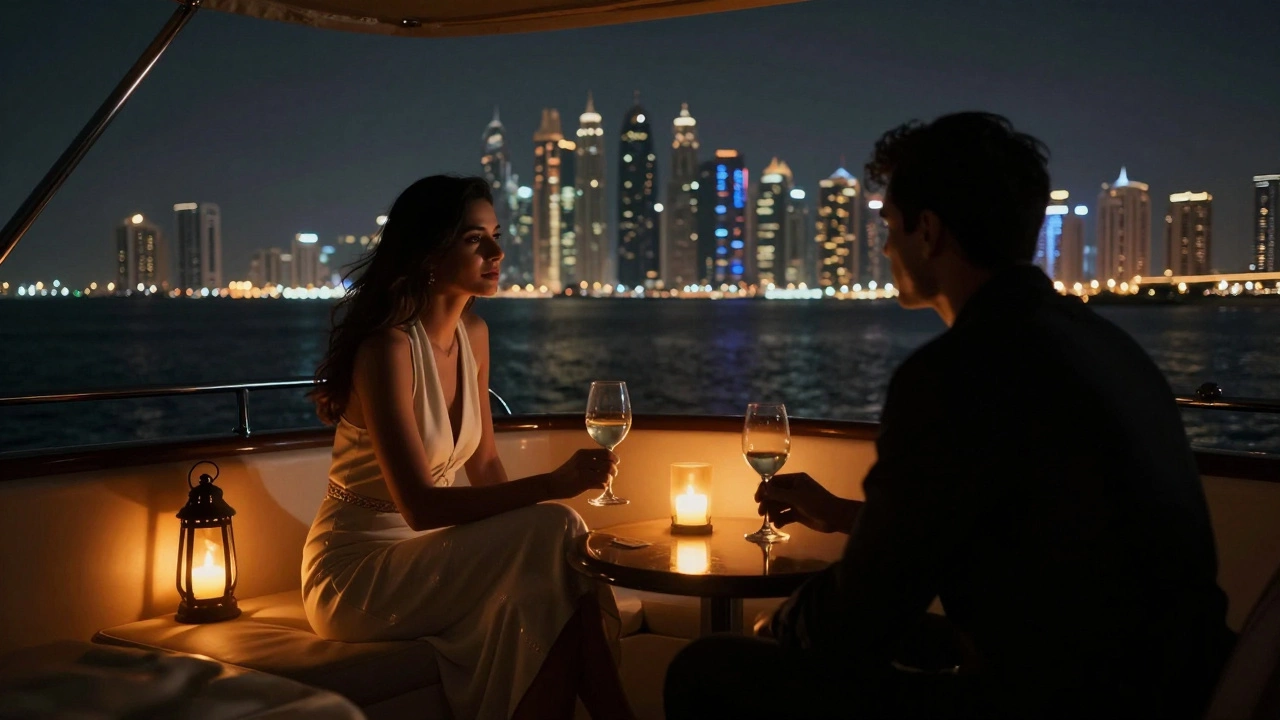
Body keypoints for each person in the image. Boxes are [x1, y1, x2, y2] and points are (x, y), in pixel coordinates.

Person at [664, 113, 1235, 719]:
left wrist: (783, 628)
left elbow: (867, 612)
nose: (884, 247)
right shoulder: (1105, 345)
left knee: (708, 670)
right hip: (1176, 683)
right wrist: (842, 517)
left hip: (1061, 699)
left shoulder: (958, 370)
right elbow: (994, 523)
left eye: (888, 225)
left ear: (927, 231)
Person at [302, 175, 634, 720]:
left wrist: (528, 533)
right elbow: (422, 507)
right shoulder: (387, 349)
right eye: (475, 239)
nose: (498, 252)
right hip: (356, 571)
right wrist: (554, 487)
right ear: (431, 251)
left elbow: (483, 463)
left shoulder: (471, 334)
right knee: (557, 526)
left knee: (550, 567)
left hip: (428, 554)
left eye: (496, 235)